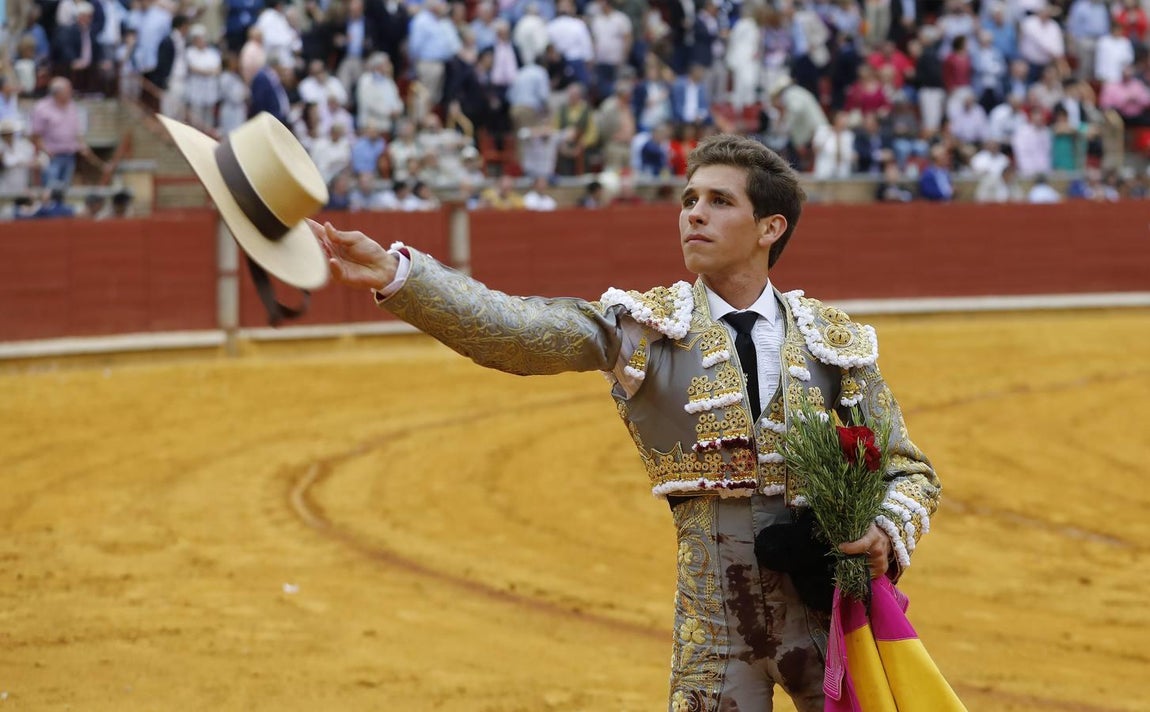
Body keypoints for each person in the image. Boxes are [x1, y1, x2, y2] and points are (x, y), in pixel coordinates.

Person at [308, 133, 941, 712]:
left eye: (719, 201)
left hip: (823, 612)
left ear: (770, 227)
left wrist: (884, 531)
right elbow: (523, 334)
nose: (693, 213)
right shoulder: (646, 327)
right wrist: (402, 278)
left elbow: (909, 469)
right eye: (689, 199)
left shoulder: (832, 340)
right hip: (714, 626)